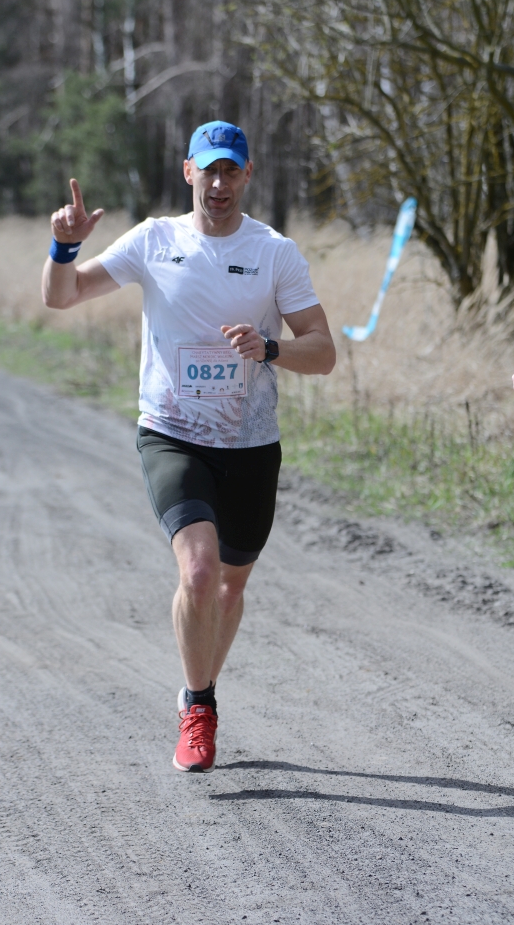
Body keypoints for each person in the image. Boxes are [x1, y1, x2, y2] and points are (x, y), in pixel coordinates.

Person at [42, 120, 336, 773]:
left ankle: (198, 685)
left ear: (247, 175)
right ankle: (199, 707)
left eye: (231, 170)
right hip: (172, 434)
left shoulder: (275, 253)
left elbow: (323, 353)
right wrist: (63, 247)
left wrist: (270, 348)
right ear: (188, 172)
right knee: (198, 572)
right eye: (209, 170)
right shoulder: (155, 240)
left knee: (228, 588)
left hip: (251, 443)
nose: (219, 183)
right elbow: (63, 296)